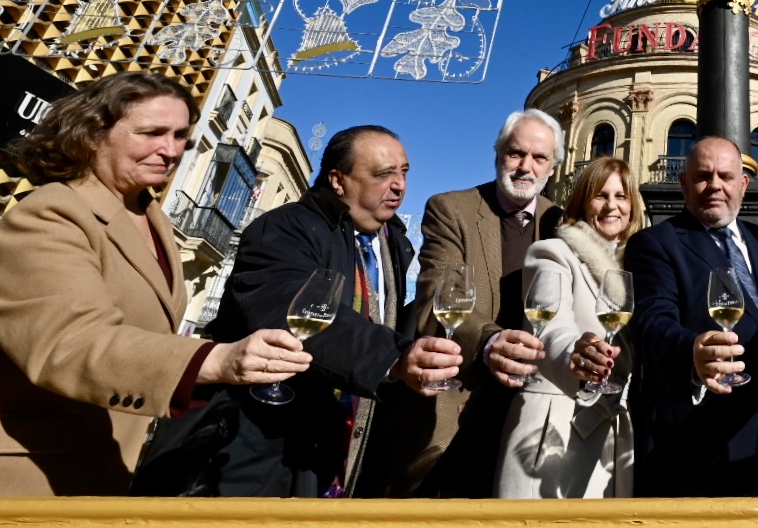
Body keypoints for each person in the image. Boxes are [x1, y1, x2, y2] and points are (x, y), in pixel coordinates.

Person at [0, 72, 309, 496]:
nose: (171, 150)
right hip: (8, 477)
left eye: (181, 135)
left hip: (98, 471)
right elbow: (71, 342)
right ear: (92, 134)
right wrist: (214, 360)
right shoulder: (50, 215)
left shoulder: (152, 218)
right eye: (151, 133)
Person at [158, 125, 460, 497]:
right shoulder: (284, 228)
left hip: (338, 450)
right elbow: (292, 308)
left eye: (404, 172)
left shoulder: (392, 242)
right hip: (255, 443)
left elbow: (381, 318)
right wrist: (394, 356)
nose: (400, 185)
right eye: (383, 174)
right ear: (338, 180)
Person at [406, 109, 565, 497]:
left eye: (539, 158)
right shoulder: (451, 209)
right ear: (497, 154)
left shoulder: (562, 223)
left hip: (534, 414)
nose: (525, 167)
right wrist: (492, 342)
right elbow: (433, 300)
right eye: (515, 153)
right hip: (462, 400)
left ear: (553, 167)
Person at [626, 135, 758, 497]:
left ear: (743, 184)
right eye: (702, 175)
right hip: (696, 442)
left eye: (726, 177)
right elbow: (651, 322)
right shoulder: (654, 243)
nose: (714, 185)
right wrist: (692, 353)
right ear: (684, 183)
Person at [495, 156, 646, 497]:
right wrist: (577, 352)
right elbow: (547, 323)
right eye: (600, 195)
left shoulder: (638, 266)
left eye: (621, 196)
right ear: (582, 201)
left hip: (615, 435)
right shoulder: (552, 253)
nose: (612, 206)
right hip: (554, 428)